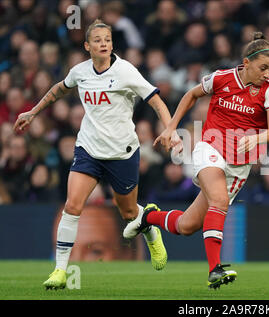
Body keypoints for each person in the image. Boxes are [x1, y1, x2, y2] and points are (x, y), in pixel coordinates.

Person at [13, 19, 179, 290]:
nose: (104, 44)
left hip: (122, 152)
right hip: (88, 149)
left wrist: (171, 129)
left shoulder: (125, 71)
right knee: (73, 206)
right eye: (98, 40)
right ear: (87, 45)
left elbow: (156, 101)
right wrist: (33, 111)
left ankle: (150, 229)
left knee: (127, 213)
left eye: (108, 39)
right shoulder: (80, 71)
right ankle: (60, 270)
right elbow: (59, 89)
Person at [123, 32, 269, 289]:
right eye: (263, 67)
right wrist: (171, 127)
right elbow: (191, 95)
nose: (267, 73)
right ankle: (215, 269)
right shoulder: (222, 78)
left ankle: (147, 218)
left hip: (239, 165)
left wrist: (257, 139)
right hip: (211, 148)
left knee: (187, 226)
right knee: (218, 201)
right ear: (246, 62)